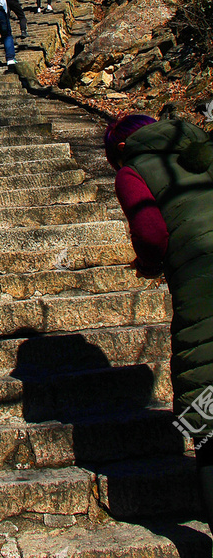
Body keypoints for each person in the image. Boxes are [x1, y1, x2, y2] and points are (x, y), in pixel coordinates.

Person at [104, 113, 213, 538]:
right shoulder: (201, 145)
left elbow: (151, 232)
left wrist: (150, 263)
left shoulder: (134, 171)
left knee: (207, 420)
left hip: (202, 283)